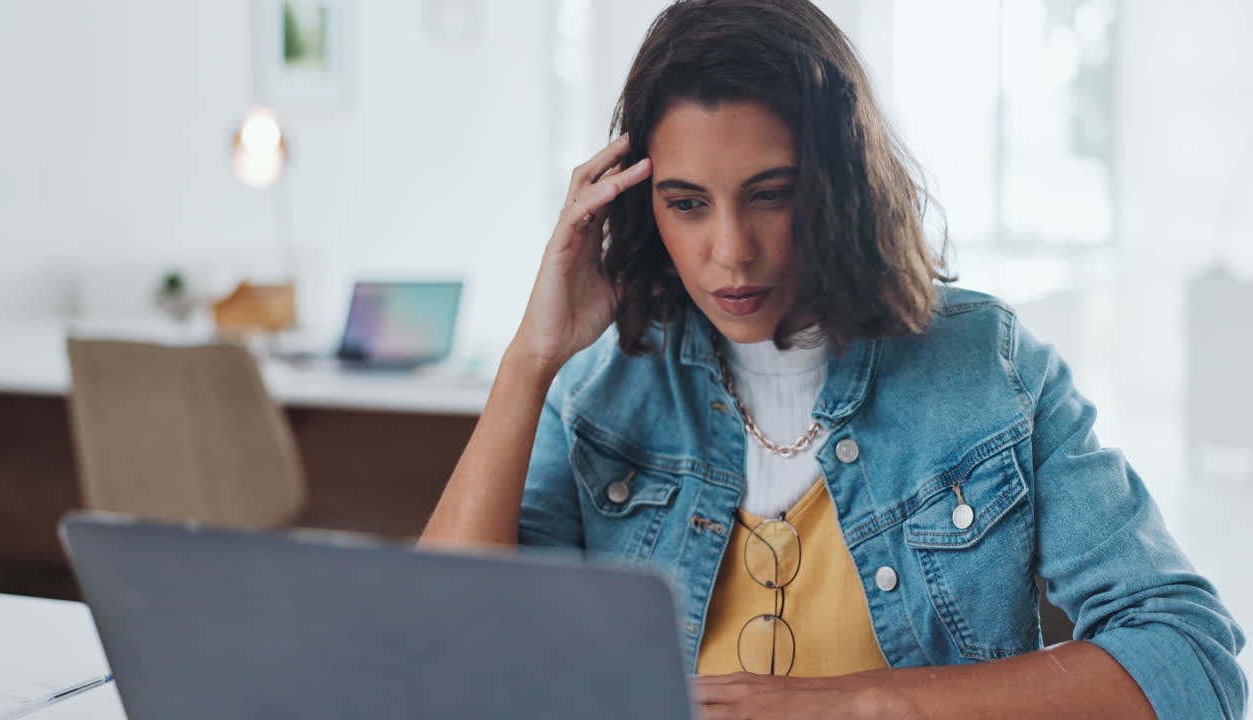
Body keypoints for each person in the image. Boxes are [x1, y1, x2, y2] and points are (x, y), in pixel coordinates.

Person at [420, 1, 1247, 717]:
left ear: (839, 185)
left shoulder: (989, 372)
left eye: (770, 194)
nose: (731, 253)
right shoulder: (602, 396)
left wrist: (860, 702)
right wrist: (530, 359)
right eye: (686, 205)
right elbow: (446, 661)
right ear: (642, 206)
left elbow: (1192, 663)